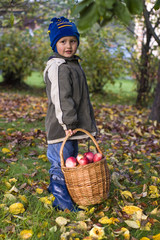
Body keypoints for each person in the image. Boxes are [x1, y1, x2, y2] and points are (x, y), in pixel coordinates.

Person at [43, 16, 97, 211]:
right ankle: (62, 204)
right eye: (63, 41)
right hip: (62, 129)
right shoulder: (58, 68)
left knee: (69, 161)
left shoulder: (72, 64)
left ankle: (58, 190)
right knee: (61, 165)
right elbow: (60, 98)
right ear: (54, 44)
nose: (68, 46)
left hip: (71, 129)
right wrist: (67, 124)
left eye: (73, 41)